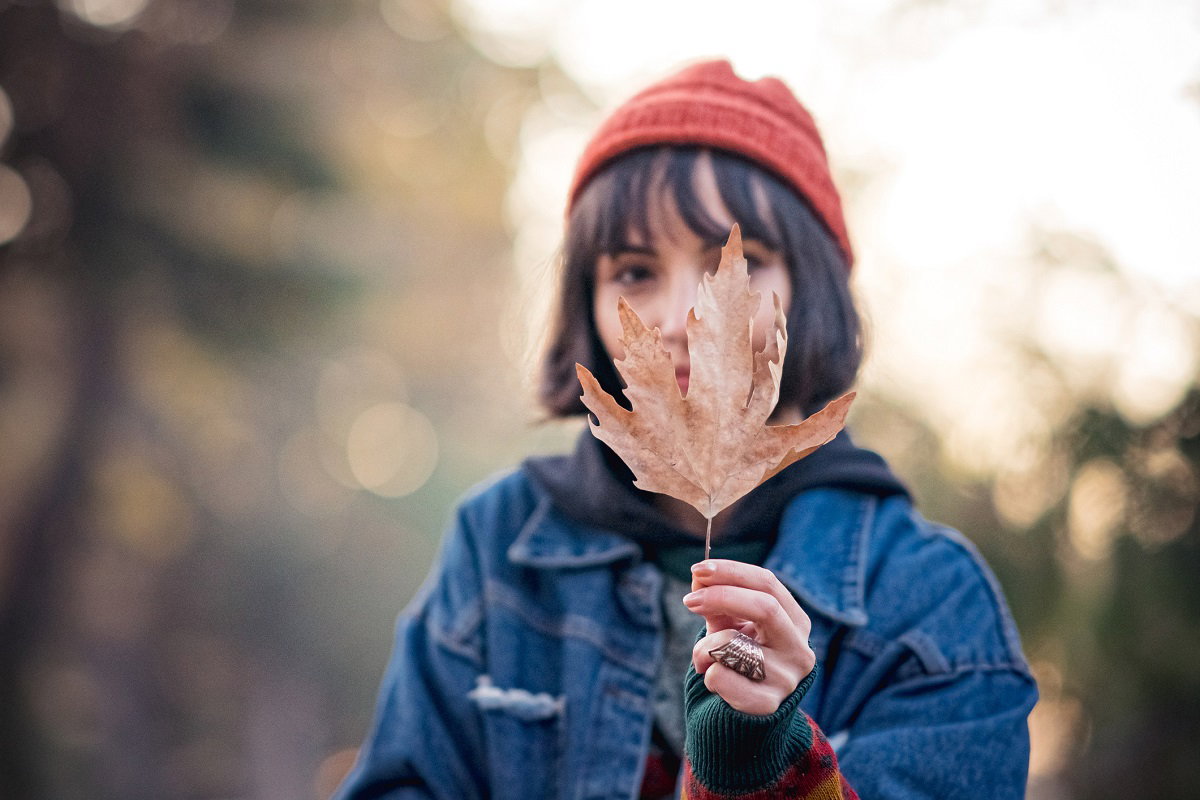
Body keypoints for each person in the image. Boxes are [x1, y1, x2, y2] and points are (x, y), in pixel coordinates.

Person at [333, 59, 1038, 800]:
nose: (679, 321)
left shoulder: (928, 601)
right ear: (587, 303)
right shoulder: (500, 545)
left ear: (814, 289)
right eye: (635, 271)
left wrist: (772, 772)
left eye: (739, 265)